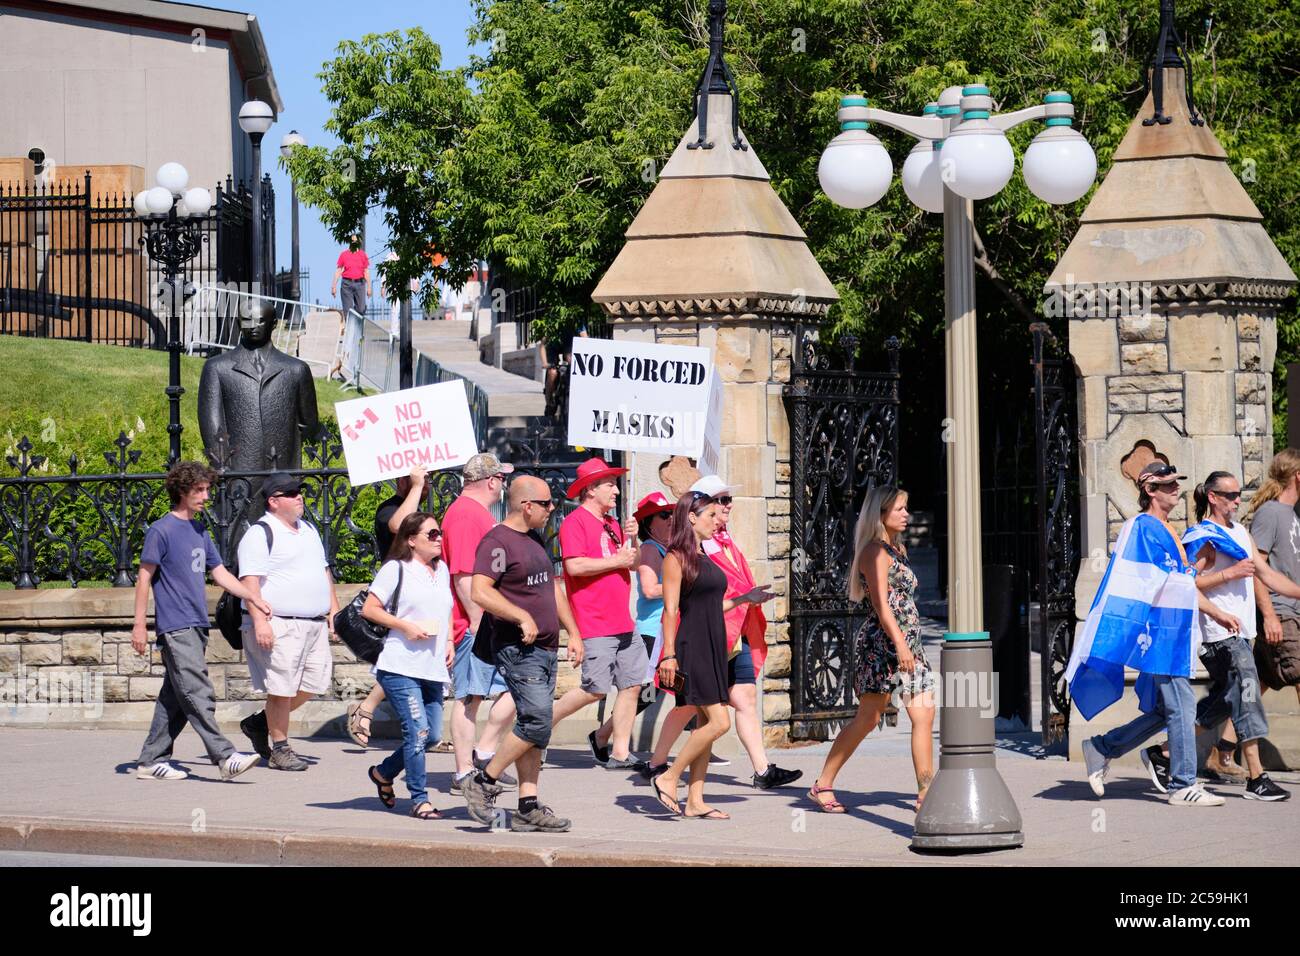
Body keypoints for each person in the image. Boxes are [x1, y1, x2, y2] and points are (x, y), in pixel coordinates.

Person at [1073, 461, 1237, 807]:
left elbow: (1177, 582)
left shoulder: (1164, 529)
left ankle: (1103, 747)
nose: (1176, 488)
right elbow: (1156, 582)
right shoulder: (1144, 527)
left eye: (1177, 483)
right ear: (1150, 490)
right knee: (1182, 706)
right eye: (1168, 485)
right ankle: (1182, 784)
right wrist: (1201, 568)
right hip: (1160, 634)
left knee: (1169, 710)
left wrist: (1216, 608)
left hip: (1169, 632)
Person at [1137, 472, 1291, 801]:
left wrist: (1283, 602)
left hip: (1241, 631)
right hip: (1218, 635)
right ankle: (1257, 776)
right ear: (1213, 497)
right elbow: (1185, 584)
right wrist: (1229, 574)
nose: (1238, 500)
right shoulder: (1202, 536)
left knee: (1226, 699)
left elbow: (1264, 575)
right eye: (1231, 495)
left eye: (1239, 494)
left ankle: (1164, 751)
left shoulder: (1239, 532)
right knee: (1248, 694)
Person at [644, 476, 802, 789]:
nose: (726, 508)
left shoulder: (721, 540)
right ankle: (661, 767)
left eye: (728, 501)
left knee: (742, 698)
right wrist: (671, 653)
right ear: (699, 511)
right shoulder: (688, 550)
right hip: (702, 638)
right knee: (694, 707)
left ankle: (759, 771)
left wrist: (748, 597)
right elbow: (675, 605)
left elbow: (723, 590)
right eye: (721, 502)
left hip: (733, 631)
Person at [460, 476, 583, 832]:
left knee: (536, 727)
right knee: (537, 721)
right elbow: (480, 591)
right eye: (546, 504)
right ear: (527, 505)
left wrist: (573, 632)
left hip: (545, 648)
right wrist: (520, 615)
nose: (552, 510)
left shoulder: (535, 539)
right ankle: (482, 782)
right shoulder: (497, 542)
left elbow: (553, 589)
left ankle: (528, 806)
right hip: (517, 648)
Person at [133, 461, 267, 781]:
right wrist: (139, 624)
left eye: (208, 489)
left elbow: (219, 573)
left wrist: (252, 597)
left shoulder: (199, 530)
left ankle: (151, 759)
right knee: (198, 691)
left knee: (176, 698)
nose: (206, 496)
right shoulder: (160, 530)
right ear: (182, 491)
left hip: (197, 625)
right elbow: (143, 578)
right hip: (175, 625)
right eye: (200, 490)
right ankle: (224, 755)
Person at [806, 485, 935, 813]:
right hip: (883, 643)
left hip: (909, 643)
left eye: (907, 508)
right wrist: (901, 645)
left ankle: (925, 792)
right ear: (880, 515)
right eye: (900, 509)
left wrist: (910, 645)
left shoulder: (897, 549)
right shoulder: (874, 552)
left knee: (924, 714)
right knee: (867, 718)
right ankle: (823, 783)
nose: (906, 514)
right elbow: (881, 604)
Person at [651, 492, 772, 818]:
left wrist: (746, 596)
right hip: (693, 647)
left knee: (704, 723)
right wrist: (669, 656)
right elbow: (670, 610)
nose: (716, 521)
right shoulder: (675, 557)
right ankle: (669, 776)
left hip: (716, 646)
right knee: (719, 722)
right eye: (709, 515)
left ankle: (695, 801)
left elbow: (711, 606)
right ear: (691, 517)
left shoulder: (704, 555)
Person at [549, 457, 648, 770]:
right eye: (610, 484)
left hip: (622, 620)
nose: (616, 491)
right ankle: (535, 729)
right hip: (595, 622)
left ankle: (619, 752)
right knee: (594, 689)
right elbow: (574, 566)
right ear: (591, 489)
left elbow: (631, 562)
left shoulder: (612, 523)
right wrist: (616, 561)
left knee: (633, 685)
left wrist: (633, 538)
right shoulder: (575, 522)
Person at [236, 473, 340, 771]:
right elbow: (250, 582)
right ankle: (281, 748)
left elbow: (324, 572)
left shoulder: (308, 529)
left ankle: (260, 723)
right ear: (273, 501)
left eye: (300, 493)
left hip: (313, 623)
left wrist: (333, 610)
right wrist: (260, 622)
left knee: (313, 682)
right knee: (281, 688)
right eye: (292, 493)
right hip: (278, 621)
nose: (299, 498)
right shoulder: (260, 533)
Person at [361, 512, 454, 819]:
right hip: (400, 665)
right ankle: (419, 798)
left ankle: (384, 773)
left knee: (431, 736)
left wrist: (450, 642)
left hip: (432, 667)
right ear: (412, 540)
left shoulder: (441, 570)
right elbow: (370, 609)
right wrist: (404, 626)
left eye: (439, 533)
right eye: (432, 534)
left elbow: (446, 609)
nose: (439, 538)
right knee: (416, 731)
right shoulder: (396, 569)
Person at [347, 465, 440, 749]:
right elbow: (398, 526)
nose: (424, 486)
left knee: (414, 661)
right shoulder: (389, 508)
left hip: (422, 594)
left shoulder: (422, 510)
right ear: (402, 480)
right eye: (418, 480)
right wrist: (413, 486)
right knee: (399, 662)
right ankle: (365, 709)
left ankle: (423, 727)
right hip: (397, 597)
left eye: (427, 481)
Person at [443, 453, 519, 793]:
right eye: (501, 479)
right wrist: (477, 622)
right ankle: (463, 771)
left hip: (490, 623)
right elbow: (462, 575)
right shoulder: (464, 515)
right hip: (475, 625)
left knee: (513, 690)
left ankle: (484, 754)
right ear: (491, 481)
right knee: (470, 698)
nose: (503, 485)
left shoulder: (476, 514)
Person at [589, 492, 673, 756]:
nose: (671, 519)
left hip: (667, 629)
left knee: (665, 690)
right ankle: (603, 735)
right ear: (650, 522)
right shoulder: (650, 549)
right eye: (664, 515)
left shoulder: (666, 548)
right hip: (652, 631)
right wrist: (682, 585)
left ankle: (602, 735)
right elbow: (649, 589)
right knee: (645, 692)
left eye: (672, 514)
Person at [1244, 449, 1300, 708]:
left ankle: (1222, 747)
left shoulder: (1293, 515)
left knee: (1257, 684)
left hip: (1293, 614)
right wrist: (1269, 616)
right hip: (1281, 614)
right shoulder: (1270, 513)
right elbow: (1256, 568)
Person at [331, 233, 371, 320]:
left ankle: (356, 321)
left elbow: (366, 271)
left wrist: (369, 287)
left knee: (361, 309)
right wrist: (333, 286)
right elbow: (338, 270)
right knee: (348, 311)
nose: (354, 242)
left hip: (360, 284)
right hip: (346, 284)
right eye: (352, 241)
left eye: (355, 241)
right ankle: (350, 329)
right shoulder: (344, 255)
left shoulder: (363, 255)